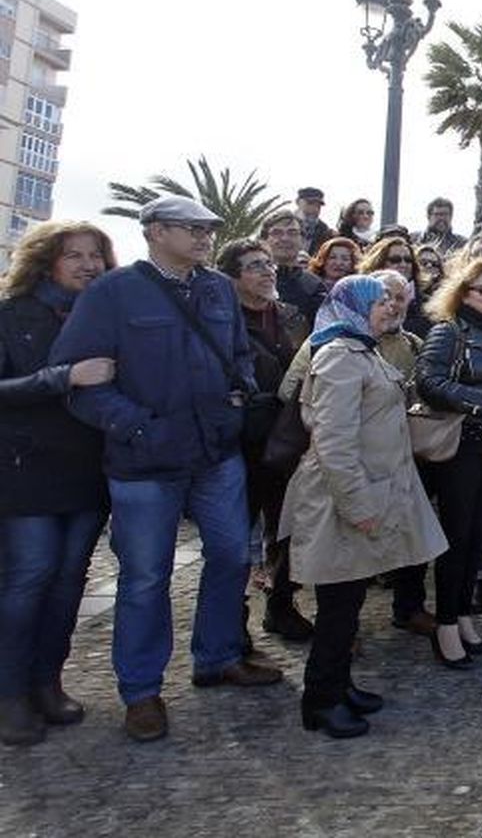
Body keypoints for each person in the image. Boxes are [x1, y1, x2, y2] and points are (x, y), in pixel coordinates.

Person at [50, 197, 281, 743]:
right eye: (192, 228)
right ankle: (141, 691)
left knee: (230, 555)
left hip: (215, 454)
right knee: (145, 576)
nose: (205, 236)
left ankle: (218, 656)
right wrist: (138, 427)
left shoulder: (218, 288)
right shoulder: (112, 292)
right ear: (154, 232)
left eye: (209, 229)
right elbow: (76, 380)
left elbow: (238, 355)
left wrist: (239, 396)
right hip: (144, 463)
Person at [281, 275, 447, 738]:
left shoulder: (361, 349)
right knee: (337, 606)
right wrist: (357, 506)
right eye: (380, 303)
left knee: (348, 602)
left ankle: (339, 686)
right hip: (344, 498)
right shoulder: (338, 357)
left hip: (368, 491)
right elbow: (334, 442)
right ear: (355, 307)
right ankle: (320, 700)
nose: (390, 309)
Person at [0, 221, 115, 747]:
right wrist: (62, 377)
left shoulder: (109, 317)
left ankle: (47, 681)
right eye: (75, 255)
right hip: (27, 470)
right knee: (29, 578)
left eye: (96, 255)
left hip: (87, 468)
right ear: (48, 260)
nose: (89, 264)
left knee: (70, 579)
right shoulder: (11, 313)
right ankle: (10, 695)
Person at [417, 258, 482, 668]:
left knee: (478, 538)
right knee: (457, 538)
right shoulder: (449, 330)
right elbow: (430, 383)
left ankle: (461, 616)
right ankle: (444, 624)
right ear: (464, 293)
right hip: (462, 446)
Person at [217, 238, 312, 644]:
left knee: (287, 527)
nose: (267, 270)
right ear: (232, 277)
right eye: (255, 265)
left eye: (269, 263)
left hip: (288, 437)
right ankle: (231, 626)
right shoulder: (220, 319)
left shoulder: (291, 316)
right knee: (236, 536)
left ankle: (281, 606)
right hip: (241, 441)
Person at [359, 235, 429, 338]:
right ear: (379, 263)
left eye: (408, 260)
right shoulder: (361, 298)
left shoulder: (426, 304)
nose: (403, 264)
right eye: (395, 260)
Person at [262, 210, 327, 320]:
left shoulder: (313, 285)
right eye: (277, 233)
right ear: (263, 240)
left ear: (302, 240)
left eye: (292, 233)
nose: (285, 238)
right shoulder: (247, 279)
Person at [295, 187, 333, 256]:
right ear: (298, 202)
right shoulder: (283, 222)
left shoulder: (324, 229)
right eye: (310, 203)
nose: (314, 209)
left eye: (318, 206)